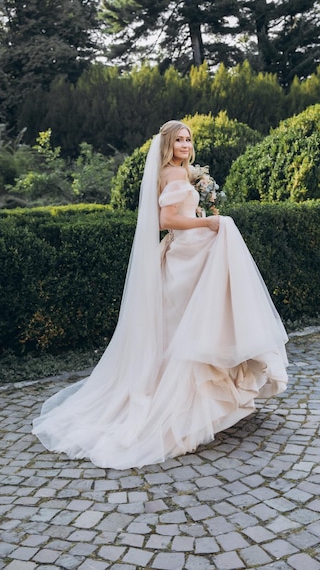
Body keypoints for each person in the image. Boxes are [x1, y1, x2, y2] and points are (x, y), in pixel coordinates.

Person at [33, 120, 288, 470]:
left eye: (188, 139)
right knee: (195, 325)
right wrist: (208, 223)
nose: (185, 144)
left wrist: (198, 211)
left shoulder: (179, 173)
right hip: (187, 255)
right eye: (179, 140)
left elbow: (176, 213)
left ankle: (206, 398)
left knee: (190, 324)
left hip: (188, 253)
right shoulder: (175, 175)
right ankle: (187, 404)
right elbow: (166, 219)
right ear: (168, 145)